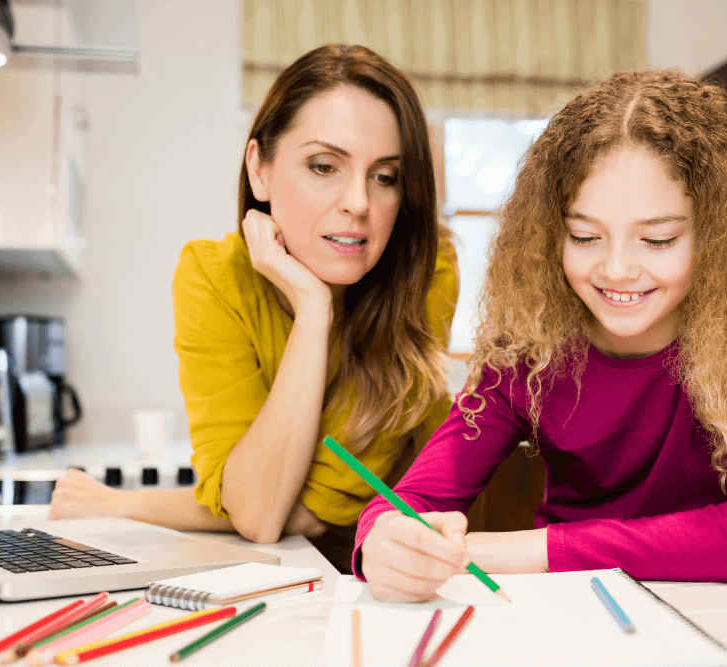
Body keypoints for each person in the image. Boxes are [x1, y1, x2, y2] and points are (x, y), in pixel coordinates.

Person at [355, 69, 727, 600]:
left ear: (719, 238)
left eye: (657, 240)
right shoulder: (528, 355)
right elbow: (403, 505)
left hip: (713, 611)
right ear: (553, 234)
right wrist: (382, 542)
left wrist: (537, 550)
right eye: (585, 236)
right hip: (565, 611)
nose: (616, 269)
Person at [48, 44, 458, 573]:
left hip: (406, 564)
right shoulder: (212, 277)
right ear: (259, 171)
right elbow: (260, 514)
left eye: (385, 177)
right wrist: (314, 314)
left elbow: (291, 511)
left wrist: (125, 505)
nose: (358, 202)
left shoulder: (427, 273)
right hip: (273, 574)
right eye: (323, 166)